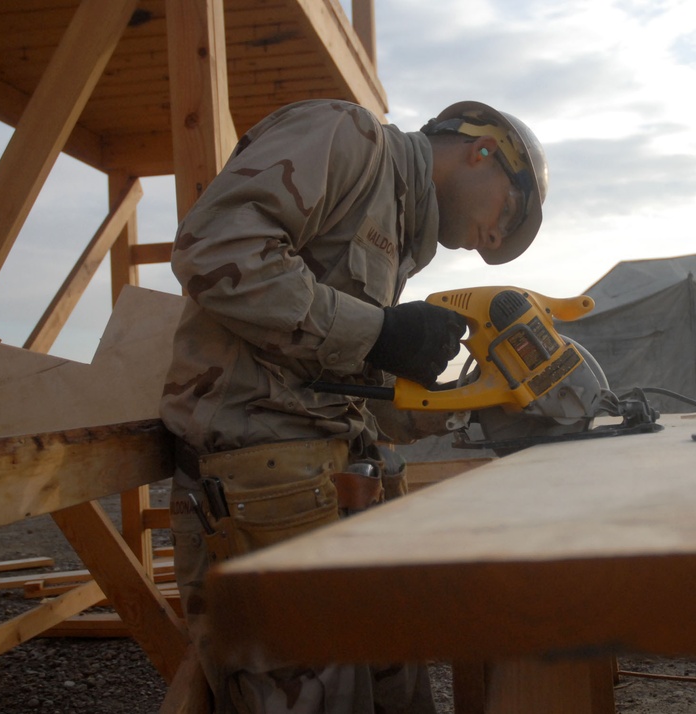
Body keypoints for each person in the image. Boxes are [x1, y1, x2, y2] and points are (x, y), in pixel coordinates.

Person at [159, 98, 548, 713]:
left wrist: (473, 403)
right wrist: (380, 333)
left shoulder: (394, 227)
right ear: (482, 150)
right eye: (510, 210)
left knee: (400, 694)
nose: (492, 239)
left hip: (334, 482)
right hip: (264, 479)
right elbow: (214, 249)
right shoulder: (349, 137)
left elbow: (340, 383)